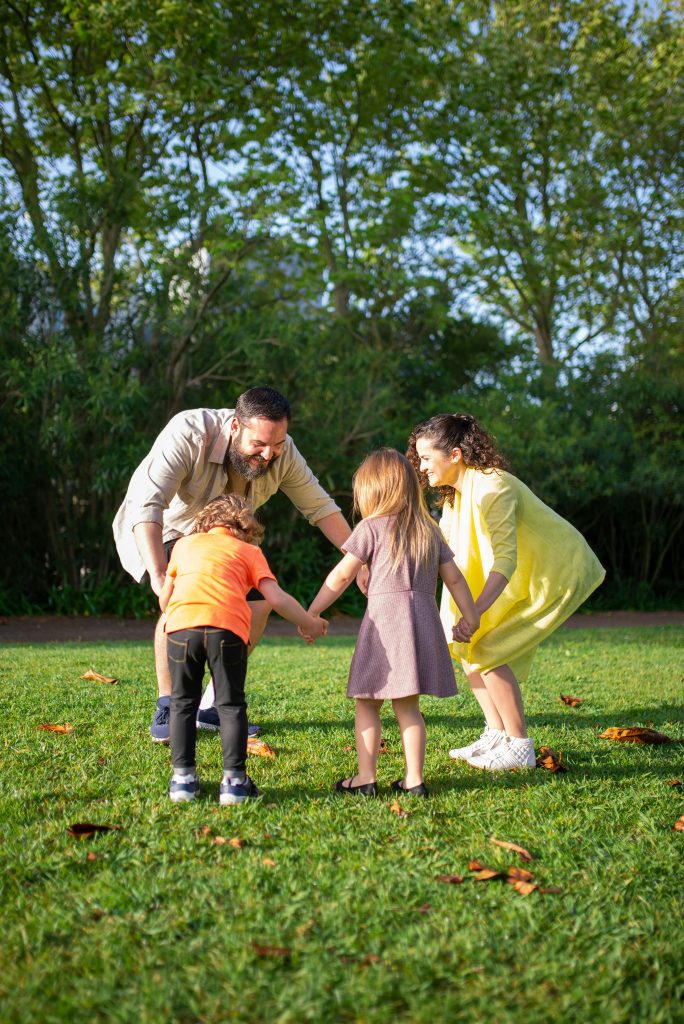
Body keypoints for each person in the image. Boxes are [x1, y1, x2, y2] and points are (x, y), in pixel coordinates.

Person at [113, 386, 364, 743]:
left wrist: (359, 559)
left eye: (277, 444)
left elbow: (320, 508)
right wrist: (158, 575)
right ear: (235, 427)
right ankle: (169, 704)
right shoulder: (190, 432)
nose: (268, 454)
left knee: (258, 606)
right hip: (171, 531)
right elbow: (147, 505)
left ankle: (212, 706)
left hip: (230, 541)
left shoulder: (282, 452)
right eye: (259, 444)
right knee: (184, 597)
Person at [407, 413, 606, 771]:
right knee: (467, 645)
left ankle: (519, 746)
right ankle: (496, 733)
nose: (421, 468)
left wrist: (475, 612)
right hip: (513, 579)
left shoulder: (492, 486)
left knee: (486, 645)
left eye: (425, 458)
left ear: (454, 455)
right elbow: (445, 550)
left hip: (553, 575)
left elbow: (506, 560)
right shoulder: (453, 496)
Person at [305, 449, 480, 797]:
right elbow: (455, 580)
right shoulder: (428, 530)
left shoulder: (370, 528)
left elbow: (341, 577)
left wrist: (312, 612)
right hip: (421, 625)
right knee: (408, 707)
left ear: (372, 491)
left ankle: (365, 778)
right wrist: (470, 617)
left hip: (385, 628)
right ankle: (414, 780)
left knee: (367, 702)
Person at [159, 494, 327, 804]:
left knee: (183, 702)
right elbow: (275, 599)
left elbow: (164, 598)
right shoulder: (249, 551)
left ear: (205, 523)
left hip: (182, 630)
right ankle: (234, 783)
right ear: (247, 528)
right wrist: (308, 622)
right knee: (231, 705)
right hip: (227, 630)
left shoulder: (183, 546)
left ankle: (182, 781)